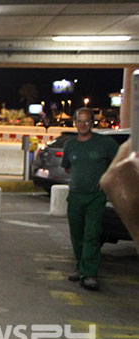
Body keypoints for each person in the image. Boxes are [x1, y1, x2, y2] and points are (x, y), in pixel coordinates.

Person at [61, 107, 119, 291]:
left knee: (92, 234)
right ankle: (80, 267)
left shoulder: (104, 143)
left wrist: (107, 177)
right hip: (75, 196)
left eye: (87, 121)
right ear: (75, 123)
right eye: (80, 121)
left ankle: (90, 274)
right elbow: (67, 167)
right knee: (77, 234)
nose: (83, 125)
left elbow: (120, 160)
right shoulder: (70, 144)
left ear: (93, 123)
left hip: (96, 197)